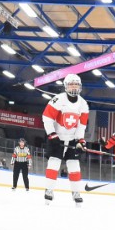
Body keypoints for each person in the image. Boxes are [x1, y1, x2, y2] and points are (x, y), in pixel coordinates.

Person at [42, 74, 88, 206]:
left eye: (76, 84)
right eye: (71, 84)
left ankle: (76, 192)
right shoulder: (58, 99)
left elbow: (82, 125)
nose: (74, 87)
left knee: (74, 165)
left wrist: (80, 140)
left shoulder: (83, 104)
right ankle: (49, 190)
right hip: (57, 138)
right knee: (54, 163)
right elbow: (47, 117)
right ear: (66, 85)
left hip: (72, 139)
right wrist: (52, 134)